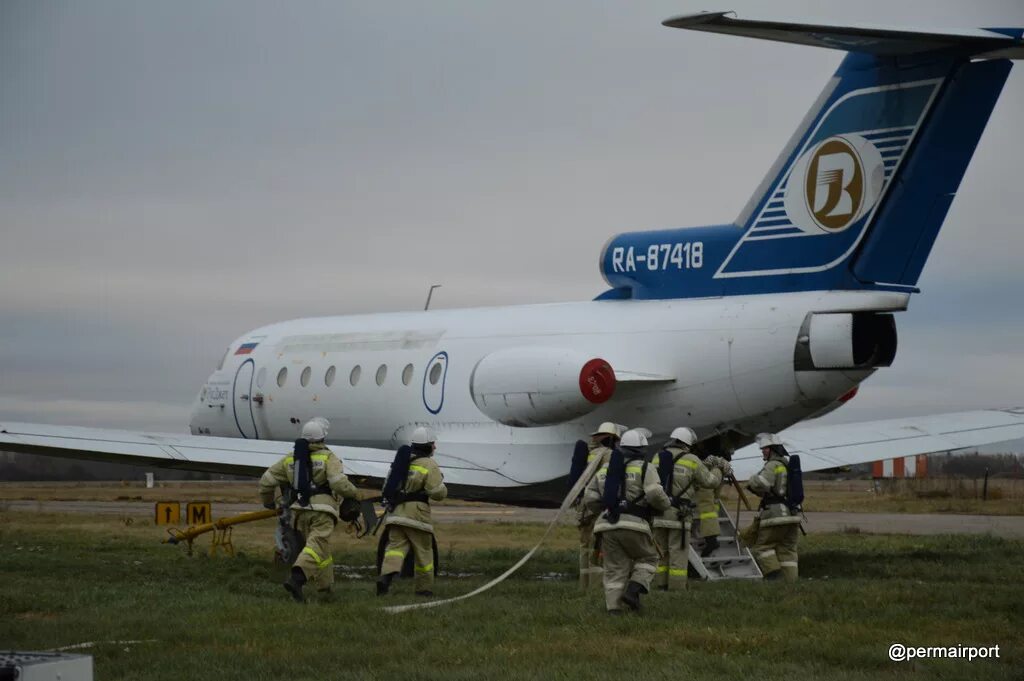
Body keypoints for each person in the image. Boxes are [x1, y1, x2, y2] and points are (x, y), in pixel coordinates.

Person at [258, 417, 359, 602]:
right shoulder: (328, 457)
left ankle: (325, 589)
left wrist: (268, 503)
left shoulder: (290, 459)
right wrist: (354, 493)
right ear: (323, 438)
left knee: (322, 550)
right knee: (316, 546)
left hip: (299, 511)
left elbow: (266, 481)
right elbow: (338, 483)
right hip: (322, 510)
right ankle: (297, 578)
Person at [583, 428, 670, 614]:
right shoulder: (646, 468)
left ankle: (613, 609)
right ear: (642, 449)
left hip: (607, 524)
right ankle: (633, 590)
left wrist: (607, 509)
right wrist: (665, 504)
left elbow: (589, 497)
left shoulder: (606, 469)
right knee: (649, 557)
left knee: (614, 568)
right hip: (635, 524)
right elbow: (655, 493)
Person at [651, 427, 729, 590]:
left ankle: (661, 585)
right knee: (678, 552)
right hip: (679, 515)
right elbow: (710, 482)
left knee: (661, 552)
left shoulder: (657, 457)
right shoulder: (692, 459)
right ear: (687, 444)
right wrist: (718, 468)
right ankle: (677, 588)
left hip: (659, 514)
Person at [376, 426, 447, 597]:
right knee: (424, 553)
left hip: (396, 514)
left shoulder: (401, 462)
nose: (435, 447)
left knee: (395, 549)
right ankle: (424, 589)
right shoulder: (429, 464)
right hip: (417, 516)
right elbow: (437, 493)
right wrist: (442, 486)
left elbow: (387, 486)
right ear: (428, 446)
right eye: (433, 444)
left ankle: (385, 578)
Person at [746, 432, 801, 581]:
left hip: (775, 515)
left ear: (772, 449)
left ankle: (772, 575)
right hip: (792, 514)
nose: (762, 451)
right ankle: (790, 581)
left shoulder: (772, 465)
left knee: (762, 548)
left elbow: (763, 483)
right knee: (787, 550)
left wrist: (751, 480)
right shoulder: (787, 465)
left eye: (765, 449)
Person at [573, 422, 620, 589]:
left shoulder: (591, 453)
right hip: (597, 507)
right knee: (599, 546)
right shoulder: (609, 455)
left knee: (585, 546)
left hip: (583, 507)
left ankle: (584, 583)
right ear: (611, 439)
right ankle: (596, 585)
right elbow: (605, 482)